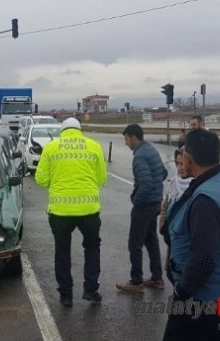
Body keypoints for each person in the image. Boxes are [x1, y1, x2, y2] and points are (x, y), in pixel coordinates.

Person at [163, 129, 220, 341]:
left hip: (205, 297)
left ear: (188, 157)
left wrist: (181, 293)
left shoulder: (206, 200)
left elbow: (203, 261)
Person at [35, 117, 108, 306]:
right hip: (89, 210)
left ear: (62, 131)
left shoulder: (51, 147)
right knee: (92, 249)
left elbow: (41, 179)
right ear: (79, 130)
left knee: (62, 251)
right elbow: (102, 178)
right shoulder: (93, 146)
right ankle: (91, 291)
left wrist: (57, 185)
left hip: (60, 211)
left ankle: (66, 295)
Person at [117, 124, 167, 293]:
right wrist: (156, 189)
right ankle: (157, 278)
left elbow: (145, 183)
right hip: (155, 202)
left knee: (135, 243)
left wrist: (136, 200)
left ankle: (136, 281)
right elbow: (163, 173)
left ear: (133, 137)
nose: (125, 143)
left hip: (145, 205)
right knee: (151, 240)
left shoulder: (139, 156)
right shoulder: (151, 149)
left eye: (126, 139)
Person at [159, 149, 193, 284]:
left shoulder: (197, 186)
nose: (180, 168)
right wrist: (163, 228)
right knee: (170, 272)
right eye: (177, 163)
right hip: (172, 237)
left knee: (184, 276)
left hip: (187, 242)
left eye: (182, 163)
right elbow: (165, 207)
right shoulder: (174, 182)